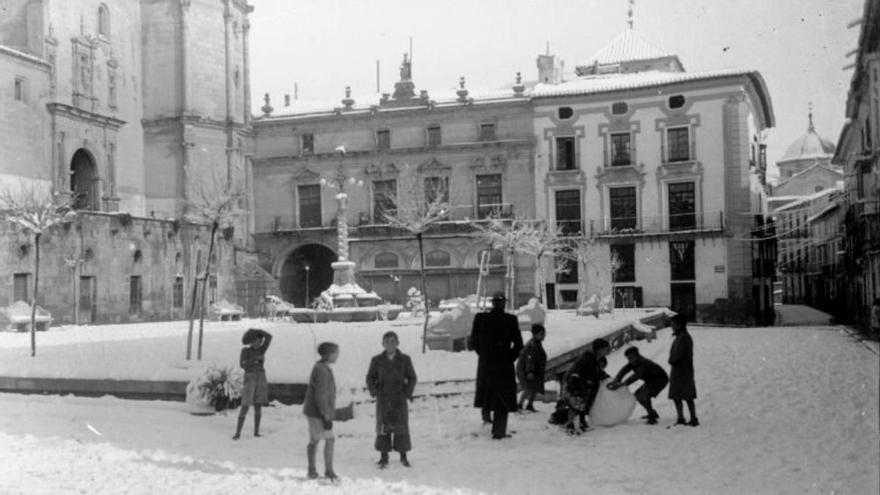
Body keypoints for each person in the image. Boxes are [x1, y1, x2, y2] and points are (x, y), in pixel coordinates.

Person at [470, 291, 524, 439]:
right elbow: (519, 344)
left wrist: (484, 355)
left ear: (492, 303)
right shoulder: (510, 320)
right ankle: (499, 431)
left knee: (487, 393)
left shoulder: (480, 318)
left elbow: (473, 342)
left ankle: (486, 418)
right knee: (502, 399)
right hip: (503, 365)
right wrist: (508, 358)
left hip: (486, 363)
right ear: (503, 303)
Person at [366, 331, 418, 469]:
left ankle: (403, 457)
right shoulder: (376, 360)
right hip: (384, 399)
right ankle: (384, 457)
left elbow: (412, 377)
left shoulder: (405, 359)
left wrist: (406, 393)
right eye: (387, 341)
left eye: (393, 341)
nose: (390, 344)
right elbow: (370, 378)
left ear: (397, 343)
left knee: (401, 427)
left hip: (399, 399)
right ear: (383, 344)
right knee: (384, 427)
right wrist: (375, 392)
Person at [303, 342, 340, 481]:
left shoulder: (322, 368)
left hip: (314, 411)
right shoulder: (322, 370)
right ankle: (328, 471)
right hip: (317, 412)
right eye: (336, 353)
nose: (337, 356)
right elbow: (321, 395)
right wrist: (326, 415)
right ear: (329, 354)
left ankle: (312, 470)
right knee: (329, 439)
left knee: (315, 440)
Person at [607, 347, 669, 424]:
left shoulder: (643, 363)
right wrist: (615, 380)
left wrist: (620, 385)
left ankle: (652, 417)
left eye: (632, 358)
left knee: (643, 394)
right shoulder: (634, 362)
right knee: (638, 395)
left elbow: (635, 377)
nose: (630, 360)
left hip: (660, 380)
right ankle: (652, 413)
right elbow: (624, 370)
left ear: (637, 355)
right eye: (628, 358)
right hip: (651, 381)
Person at [563, 338, 611, 434]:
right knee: (575, 406)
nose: (608, 350)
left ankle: (582, 423)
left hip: (584, 385)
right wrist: (574, 381)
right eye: (606, 348)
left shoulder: (595, 359)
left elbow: (597, 372)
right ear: (599, 349)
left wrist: (606, 377)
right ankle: (570, 425)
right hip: (577, 384)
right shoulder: (588, 357)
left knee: (582, 405)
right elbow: (577, 369)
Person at [233, 328, 272, 440]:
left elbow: (269, 337)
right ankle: (238, 433)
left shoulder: (262, 350)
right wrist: (255, 359)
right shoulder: (245, 351)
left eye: (259, 340)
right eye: (256, 340)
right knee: (245, 404)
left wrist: (258, 330)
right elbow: (242, 364)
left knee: (258, 404)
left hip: (261, 377)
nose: (259, 343)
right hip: (250, 377)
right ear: (251, 341)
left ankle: (256, 432)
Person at [668, 314, 699, 427]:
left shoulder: (682, 338)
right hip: (684, 369)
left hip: (681, 370)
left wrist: (671, 360)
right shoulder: (684, 336)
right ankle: (692, 417)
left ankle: (683, 418)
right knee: (687, 395)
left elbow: (676, 355)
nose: (672, 326)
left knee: (679, 395)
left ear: (679, 325)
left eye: (673, 324)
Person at [516, 324, 547, 412]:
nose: (543, 336)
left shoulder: (537, 344)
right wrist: (530, 371)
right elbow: (530, 359)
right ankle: (519, 404)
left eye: (544, 334)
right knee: (528, 388)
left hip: (532, 370)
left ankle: (530, 405)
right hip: (525, 370)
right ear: (535, 335)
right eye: (541, 334)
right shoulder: (532, 345)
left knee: (534, 387)